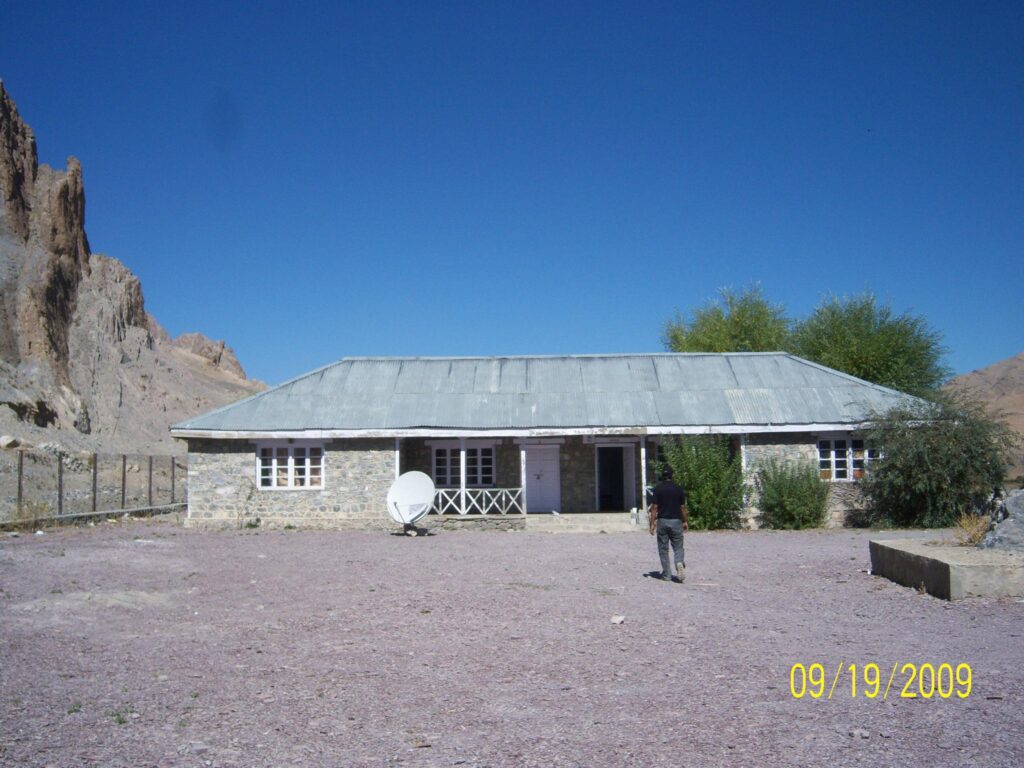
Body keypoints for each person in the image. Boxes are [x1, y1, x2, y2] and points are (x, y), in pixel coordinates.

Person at [648, 465, 688, 582]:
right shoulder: (679, 489)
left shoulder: (658, 489)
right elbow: (682, 507)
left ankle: (666, 574)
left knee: (663, 548)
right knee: (678, 546)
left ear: (662, 476)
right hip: (676, 521)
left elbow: (655, 507)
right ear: (672, 475)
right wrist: (685, 521)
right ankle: (679, 561)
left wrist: (652, 524)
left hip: (663, 521)